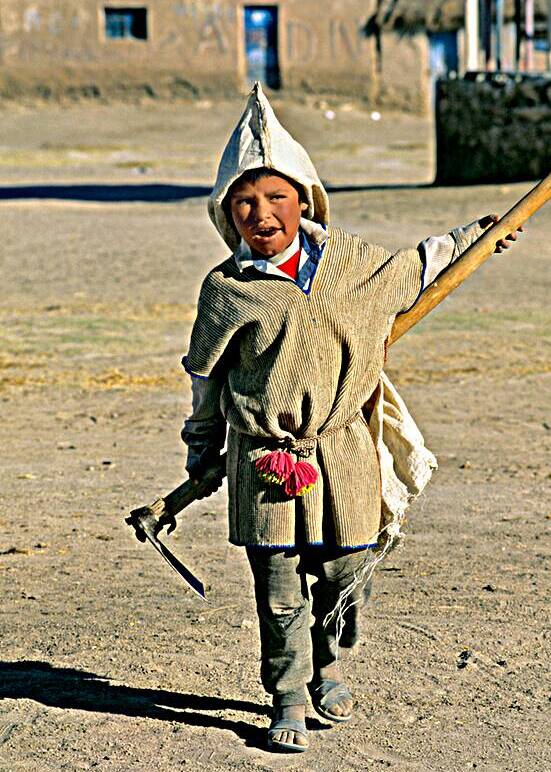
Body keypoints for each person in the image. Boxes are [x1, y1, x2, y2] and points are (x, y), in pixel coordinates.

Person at [180, 84, 520, 753]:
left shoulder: (353, 265)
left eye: (275, 196)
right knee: (278, 590)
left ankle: (329, 666)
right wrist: (201, 452)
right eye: (244, 201)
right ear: (228, 213)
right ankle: (285, 696)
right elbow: (205, 383)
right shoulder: (225, 291)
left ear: (302, 200)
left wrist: (477, 237)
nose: (261, 213)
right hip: (264, 458)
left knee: (344, 573)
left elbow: (419, 264)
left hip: (341, 452)